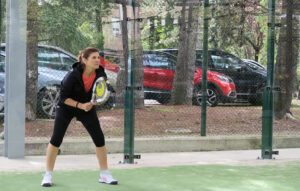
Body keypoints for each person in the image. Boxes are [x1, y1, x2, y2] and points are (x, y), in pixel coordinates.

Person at [41, 47, 118, 187]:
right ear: (84, 59)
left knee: (99, 138)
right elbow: (63, 98)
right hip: (66, 107)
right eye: (93, 57)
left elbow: (101, 91)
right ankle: (47, 175)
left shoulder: (100, 72)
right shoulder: (72, 75)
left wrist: (94, 102)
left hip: (86, 107)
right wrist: (80, 105)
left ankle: (104, 174)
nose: (97, 60)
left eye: (98, 57)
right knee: (56, 139)